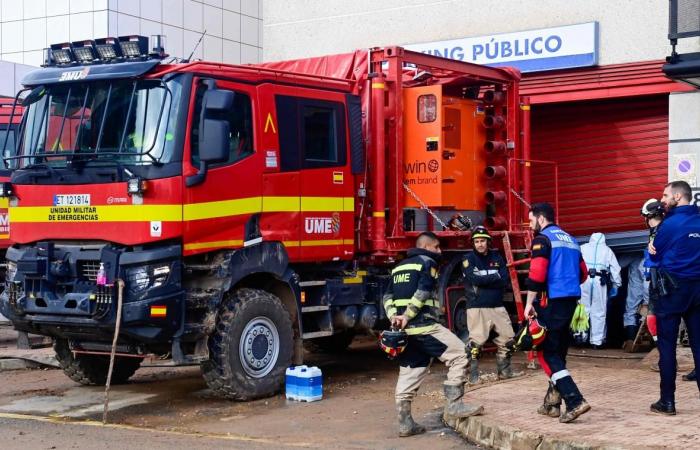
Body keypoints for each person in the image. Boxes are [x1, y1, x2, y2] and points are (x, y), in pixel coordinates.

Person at [383, 232, 483, 437]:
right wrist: (408, 316)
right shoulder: (427, 263)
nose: (440, 251)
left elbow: (387, 296)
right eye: (437, 247)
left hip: (405, 332)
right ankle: (454, 404)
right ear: (426, 247)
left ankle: (405, 424)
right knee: (460, 355)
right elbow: (424, 291)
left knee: (411, 370)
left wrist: (396, 317)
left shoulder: (398, 267)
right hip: (425, 327)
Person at [523, 203, 591, 423]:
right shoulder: (570, 239)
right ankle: (552, 404)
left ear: (541, 219)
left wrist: (528, 303)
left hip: (551, 301)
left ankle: (574, 400)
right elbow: (583, 273)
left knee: (546, 352)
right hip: (570, 301)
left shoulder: (542, 239)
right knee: (558, 349)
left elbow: (537, 274)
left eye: (531, 220)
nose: (530, 224)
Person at [648, 181, 700, 415]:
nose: (663, 199)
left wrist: (653, 244)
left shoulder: (669, 224)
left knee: (667, 346)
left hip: (671, 290)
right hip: (697, 290)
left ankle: (667, 401)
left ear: (678, 196)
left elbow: (655, 254)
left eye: (666, 195)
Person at [462, 226, 518, 383]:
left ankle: (505, 372)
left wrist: (486, 279)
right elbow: (474, 280)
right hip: (477, 307)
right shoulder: (468, 259)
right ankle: (473, 377)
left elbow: (505, 280)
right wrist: (495, 277)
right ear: (473, 243)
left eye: (483, 241)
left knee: (509, 340)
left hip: (497, 306)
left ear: (488, 242)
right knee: (475, 345)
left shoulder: (497, 257)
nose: (480, 244)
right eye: (477, 241)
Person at [579, 232, 621, 349]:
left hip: (584, 280)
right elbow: (615, 269)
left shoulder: (582, 247)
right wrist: (616, 285)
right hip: (599, 281)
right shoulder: (607, 250)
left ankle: (580, 337)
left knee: (582, 308)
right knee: (599, 312)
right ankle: (596, 342)